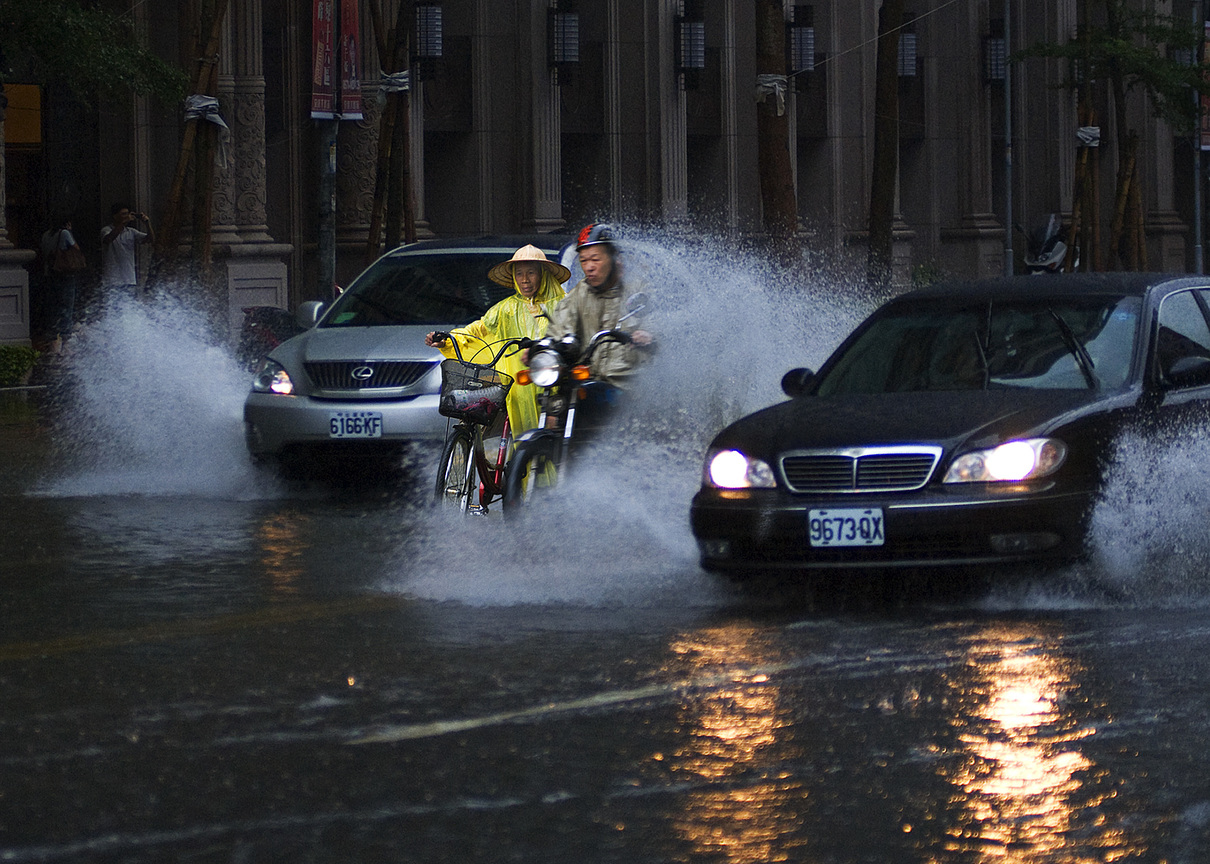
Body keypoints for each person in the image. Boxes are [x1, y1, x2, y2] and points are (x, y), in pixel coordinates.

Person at [424, 245, 568, 437]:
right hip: (517, 388)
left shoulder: (563, 305)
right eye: (519, 274)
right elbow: (477, 331)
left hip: (553, 387)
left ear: (543, 275)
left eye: (531, 272)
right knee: (520, 444)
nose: (524, 279)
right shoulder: (505, 309)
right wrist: (447, 340)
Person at [544, 223, 653, 389]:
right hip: (586, 384)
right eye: (583, 260)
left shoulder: (638, 289)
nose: (589, 267)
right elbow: (560, 327)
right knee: (553, 412)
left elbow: (658, 321)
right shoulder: (578, 294)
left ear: (615, 259)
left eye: (595, 259)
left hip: (628, 389)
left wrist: (650, 335)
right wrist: (542, 348)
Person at [39, 215, 85, 344]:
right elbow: (76, 249)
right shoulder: (64, 233)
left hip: (50, 273)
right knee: (67, 306)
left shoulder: (46, 235)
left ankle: (53, 338)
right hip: (64, 273)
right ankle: (66, 340)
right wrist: (69, 231)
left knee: (53, 306)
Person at [100, 203, 155, 294]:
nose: (126, 216)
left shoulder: (131, 232)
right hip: (112, 279)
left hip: (129, 278)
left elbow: (150, 239)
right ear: (115, 216)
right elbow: (108, 239)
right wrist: (123, 223)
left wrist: (147, 224)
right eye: (123, 214)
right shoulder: (106, 230)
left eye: (127, 214)